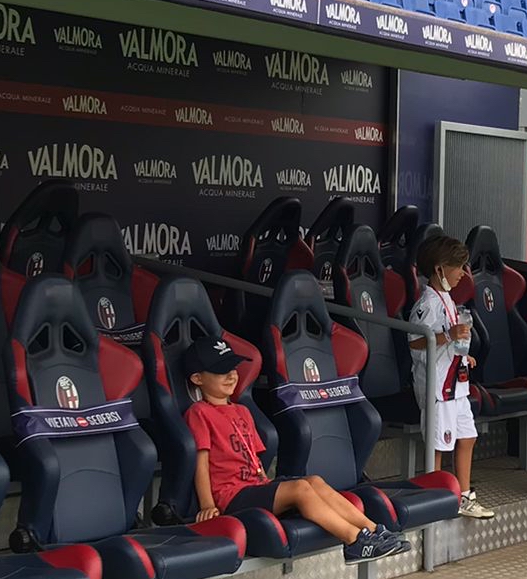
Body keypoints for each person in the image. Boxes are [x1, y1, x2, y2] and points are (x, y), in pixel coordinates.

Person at [183, 339, 408, 561]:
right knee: (300, 489)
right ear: (197, 378)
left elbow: (253, 458)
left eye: (233, 368)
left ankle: (375, 530)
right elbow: (201, 463)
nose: (232, 375)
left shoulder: (242, 411)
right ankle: (354, 541)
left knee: (315, 481)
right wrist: (208, 505)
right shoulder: (199, 412)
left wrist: (267, 484)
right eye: (221, 371)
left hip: (255, 486)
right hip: (231, 496)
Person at [407, 234, 493, 519]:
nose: (463, 273)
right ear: (439, 268)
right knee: (438, 444)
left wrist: (462, 355)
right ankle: (436, 498)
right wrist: (448, 335)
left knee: (467, 436)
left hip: (457, 384)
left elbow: (450, 341)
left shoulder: (448, 299)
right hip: (438, 387)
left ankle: (464, 495)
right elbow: (414, 341)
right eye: (458, 267)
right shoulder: (427, 303)